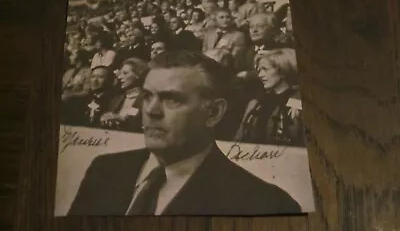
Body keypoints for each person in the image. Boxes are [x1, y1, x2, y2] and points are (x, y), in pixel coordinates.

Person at [68, 50, 301, 216]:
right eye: (147, 96)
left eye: (172, 99)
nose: (150, 110)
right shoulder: (103, 170)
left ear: (214, 113)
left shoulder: (265, 204)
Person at [234, 49, 304, 146]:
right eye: (259, 70)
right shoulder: (255, 104)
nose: (260, 75)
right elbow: (238, 140)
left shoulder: (298, 103)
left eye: (265, 69)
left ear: (283, 70)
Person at [100, 58, 148, 132]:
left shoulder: (147, 100)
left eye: (125, 73)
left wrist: (122, 119)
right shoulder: (116, 99)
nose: (119, 77)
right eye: (120, 73)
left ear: (138, 75)